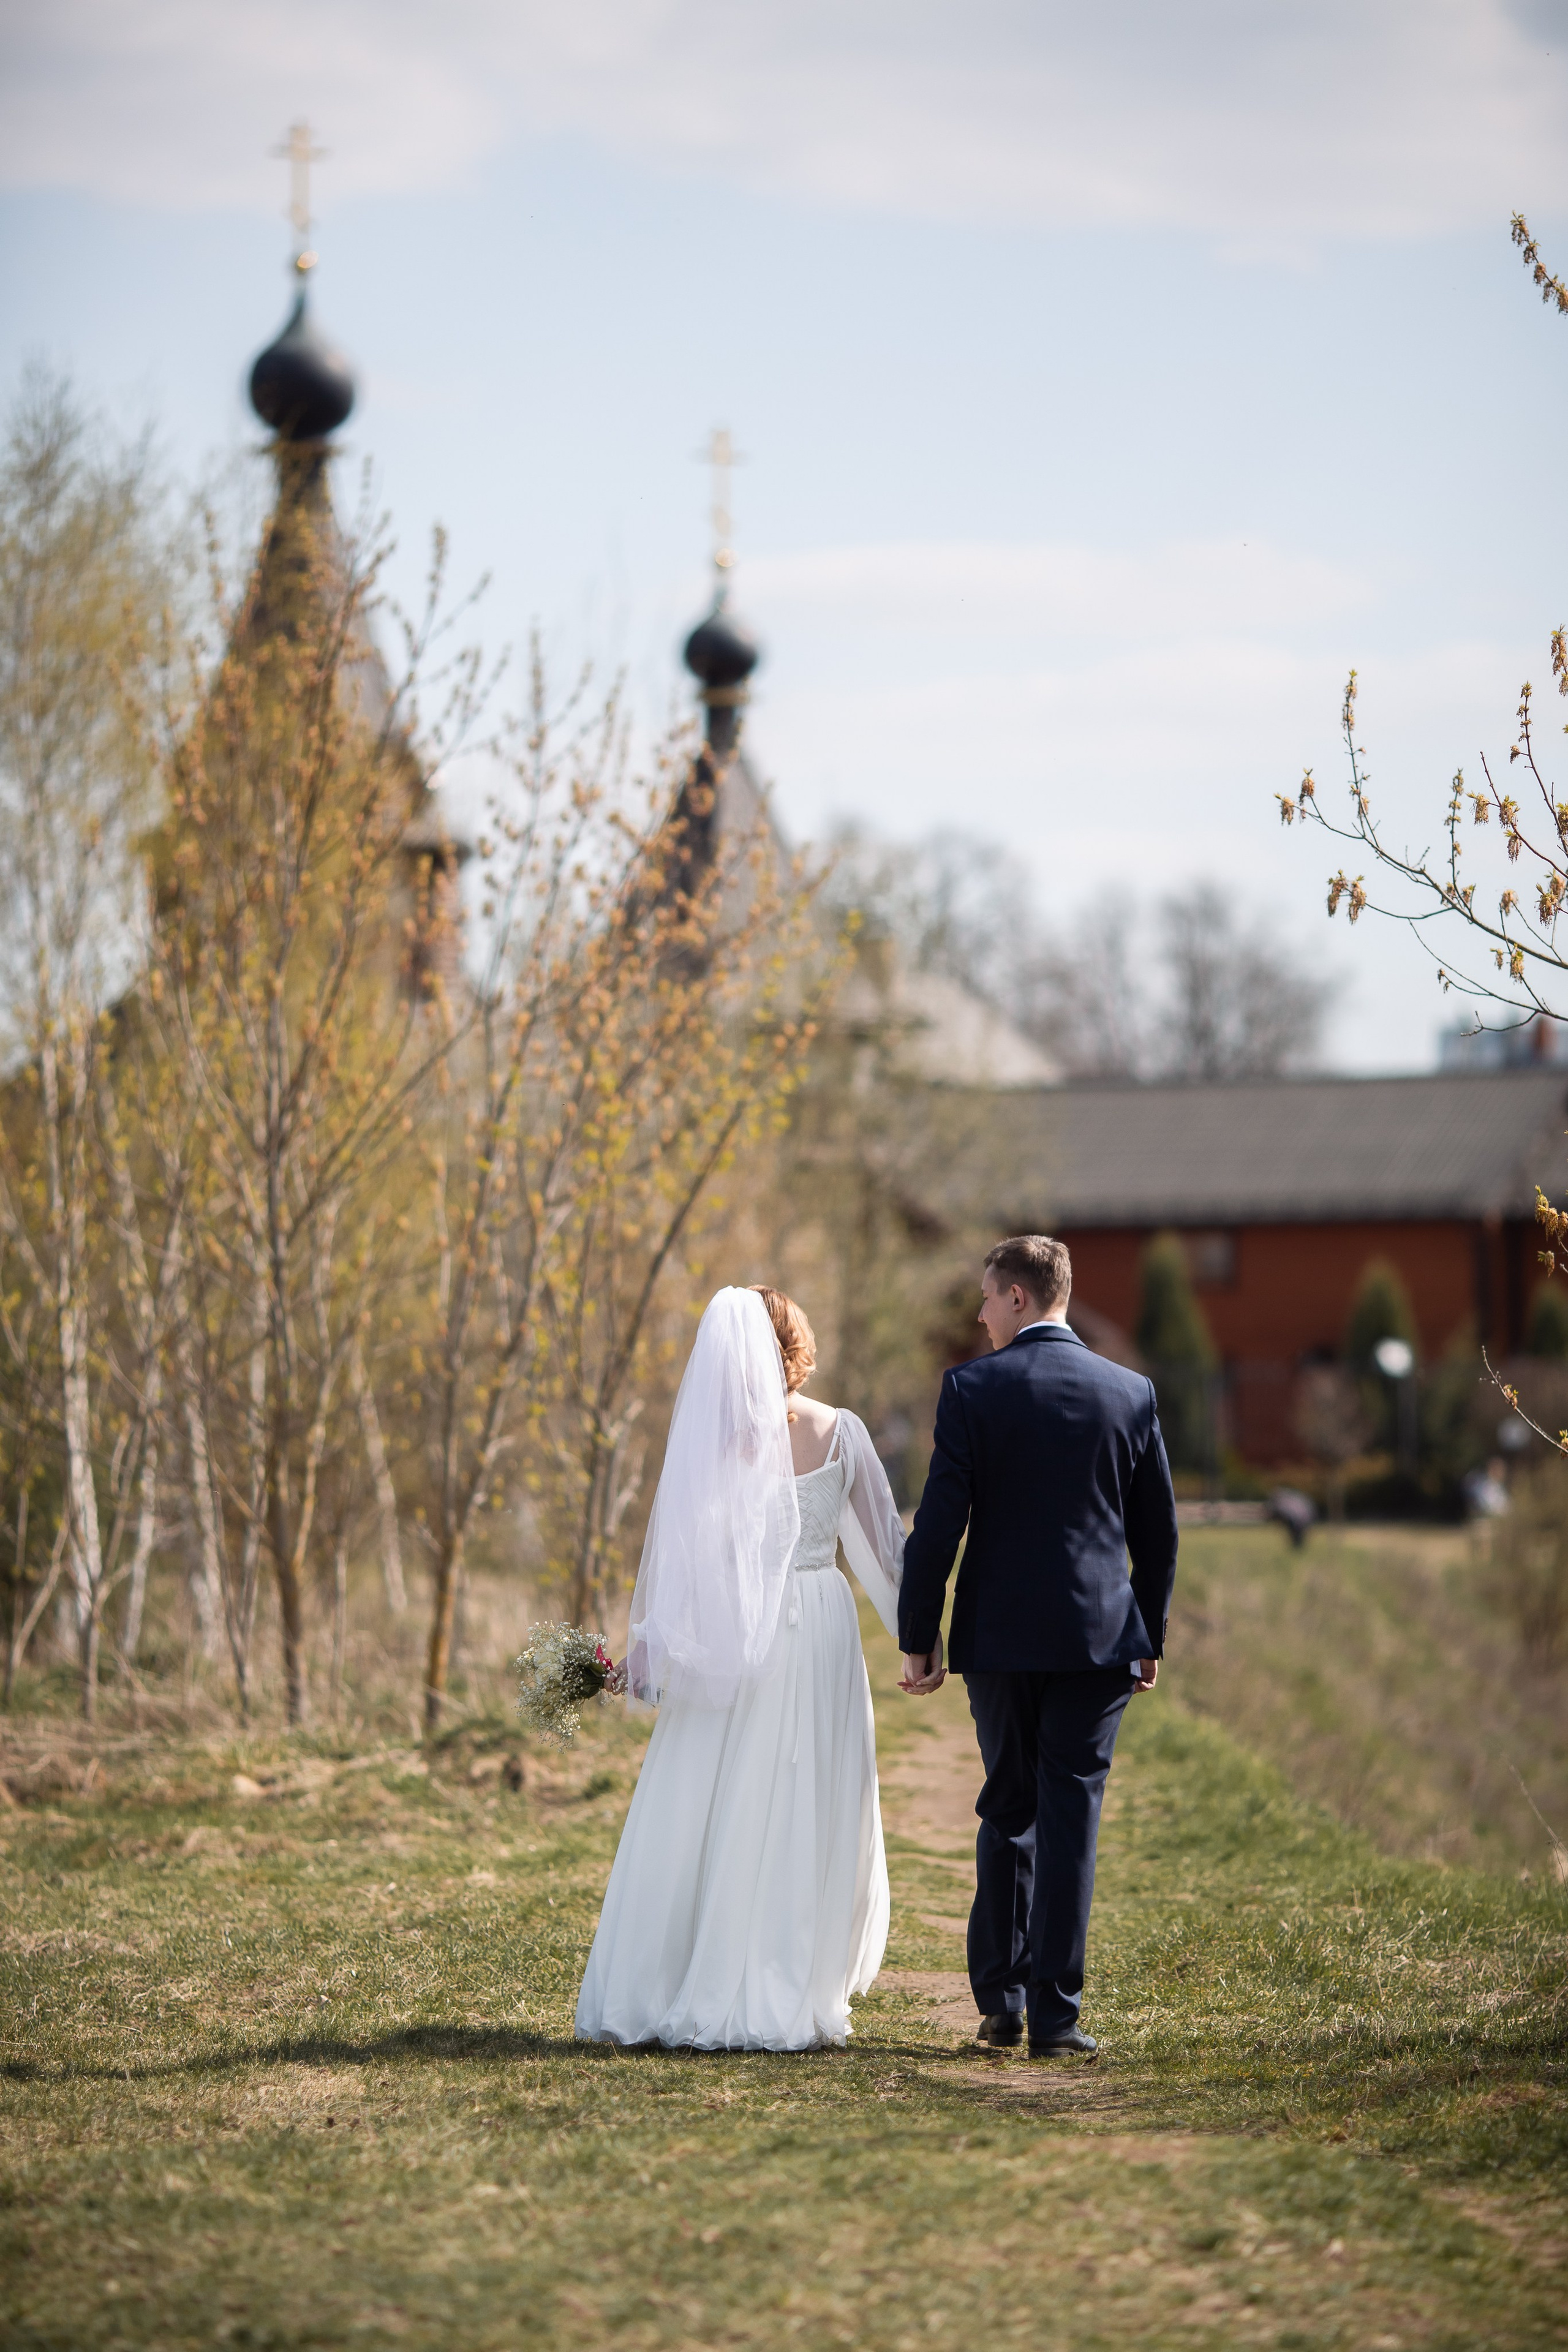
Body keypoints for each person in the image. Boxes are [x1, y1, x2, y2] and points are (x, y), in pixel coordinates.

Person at [575, 1284, 907, 2051]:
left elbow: (688, 1570)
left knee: (722, 1799)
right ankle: (791, 1971)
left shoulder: (714, 1447)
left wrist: (648, 1654)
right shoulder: (840, 1431)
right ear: (795, 1347)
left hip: (739, 1635)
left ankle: (694, 1969)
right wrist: (917, 1639)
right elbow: (885, 1551)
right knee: (809, 1795)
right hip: (818, 1626)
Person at [898, 1235, 1178, 2060]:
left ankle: (1001, 2002)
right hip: (1100, 1637)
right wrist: (1149, 1633)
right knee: (1070, 1818)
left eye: (987, 1297)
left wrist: (919, 1636)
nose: (980, 1313)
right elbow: (1158, 1534)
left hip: (999, 1638)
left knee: (1008, 1806)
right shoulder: (1129, 1392)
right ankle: (1056, 2019)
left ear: (1018, 1297)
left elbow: (937, 1527)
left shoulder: (971, 1389)